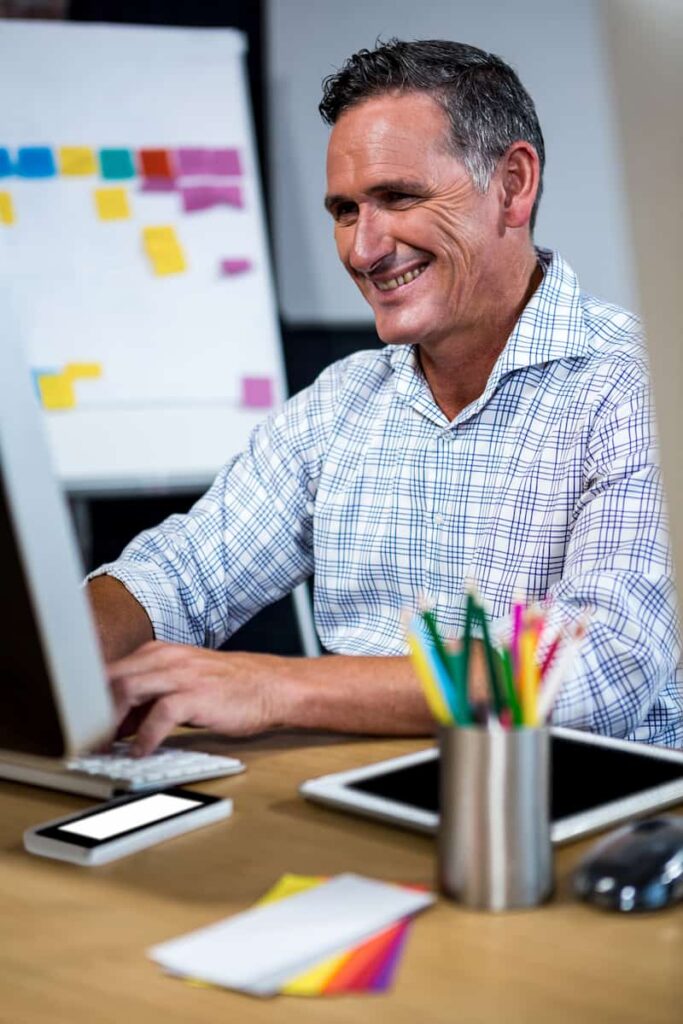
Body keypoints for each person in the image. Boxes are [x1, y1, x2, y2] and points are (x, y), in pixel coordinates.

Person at [88, 39, 682, 753]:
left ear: (513, 185)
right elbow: (179, 578)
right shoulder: (342, 403)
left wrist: (273, 686)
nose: (363, 249)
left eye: (397, 198)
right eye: (344, 210)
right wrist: (68, 653)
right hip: (350, 797)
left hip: (575, 818)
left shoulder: (640, 388)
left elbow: (602, 668)